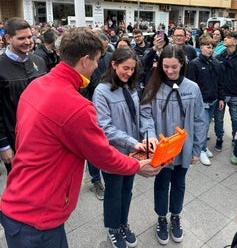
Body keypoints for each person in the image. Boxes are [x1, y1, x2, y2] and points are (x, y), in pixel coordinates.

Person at [0, 27, 161, 248]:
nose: (97, 66)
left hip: (20, 200)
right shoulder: (76, 105)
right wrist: (136, 165)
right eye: (96, 60)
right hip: (39, 216)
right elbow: (103, 156)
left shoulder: (36, 85)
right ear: (85, 60)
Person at [140, 44, 206, 245]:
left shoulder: (192, 88)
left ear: (182, 64)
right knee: (161, 184)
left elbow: (199, 120)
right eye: (166, 67)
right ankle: (161, 217)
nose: (169, 71)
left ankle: (175, 216)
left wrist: (196, 149)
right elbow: (145, 115)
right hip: (162, 150)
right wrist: (150, 137)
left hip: (183, 150)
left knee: (179, 183)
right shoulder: (153, 86)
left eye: (174, 67)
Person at [93, 47, 149, 248]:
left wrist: (145, 138)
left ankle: (123, 223)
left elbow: (138, 115)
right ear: (113, 64)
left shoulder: (131, 87)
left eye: (132, 69)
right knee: (114, 192)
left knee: (127, 190)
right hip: (113, 153)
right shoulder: (101, 91)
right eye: (125, 68)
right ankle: (113, 228)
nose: (129, 73)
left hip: (133, 152)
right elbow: (104, 127)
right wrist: (131, 141)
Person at [0, 17, 47, 174]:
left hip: (43, 139)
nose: (28, 42)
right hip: (15, 142)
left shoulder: (39, 62)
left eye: (29, 37)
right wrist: (3, 145)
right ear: (8, 38)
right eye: (21, 38)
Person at [80, 31, 112, 200]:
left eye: (104, 46)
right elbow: (83, 89)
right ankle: (95, 179)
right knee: (92, 147)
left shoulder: (111, 58)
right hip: (92, 109)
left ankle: (108, 173)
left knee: (105, 144)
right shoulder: (88, 62)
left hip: (109, 109)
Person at [187, 35, 225, 166]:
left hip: (213, 100)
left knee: (206, 125)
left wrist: (221, 98)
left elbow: (220, 82)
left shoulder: (215, 63)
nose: (210, 49)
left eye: (212, 47)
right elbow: (191, 85)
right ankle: (200, 150)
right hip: (201, 102)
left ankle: (203, 147)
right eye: (208, 47)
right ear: (201, 47)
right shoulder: (194, 64)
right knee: (202, 127)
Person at [214, 32, 237, 151]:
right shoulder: (218, 57)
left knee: (235, 119)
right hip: (222, 95)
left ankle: (236, 137)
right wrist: (219, 95)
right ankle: (219, 138)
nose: (225, 39)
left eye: (228, 38)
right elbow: (216, 77)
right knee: (218, 119)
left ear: (235, 42)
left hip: (236, 96)